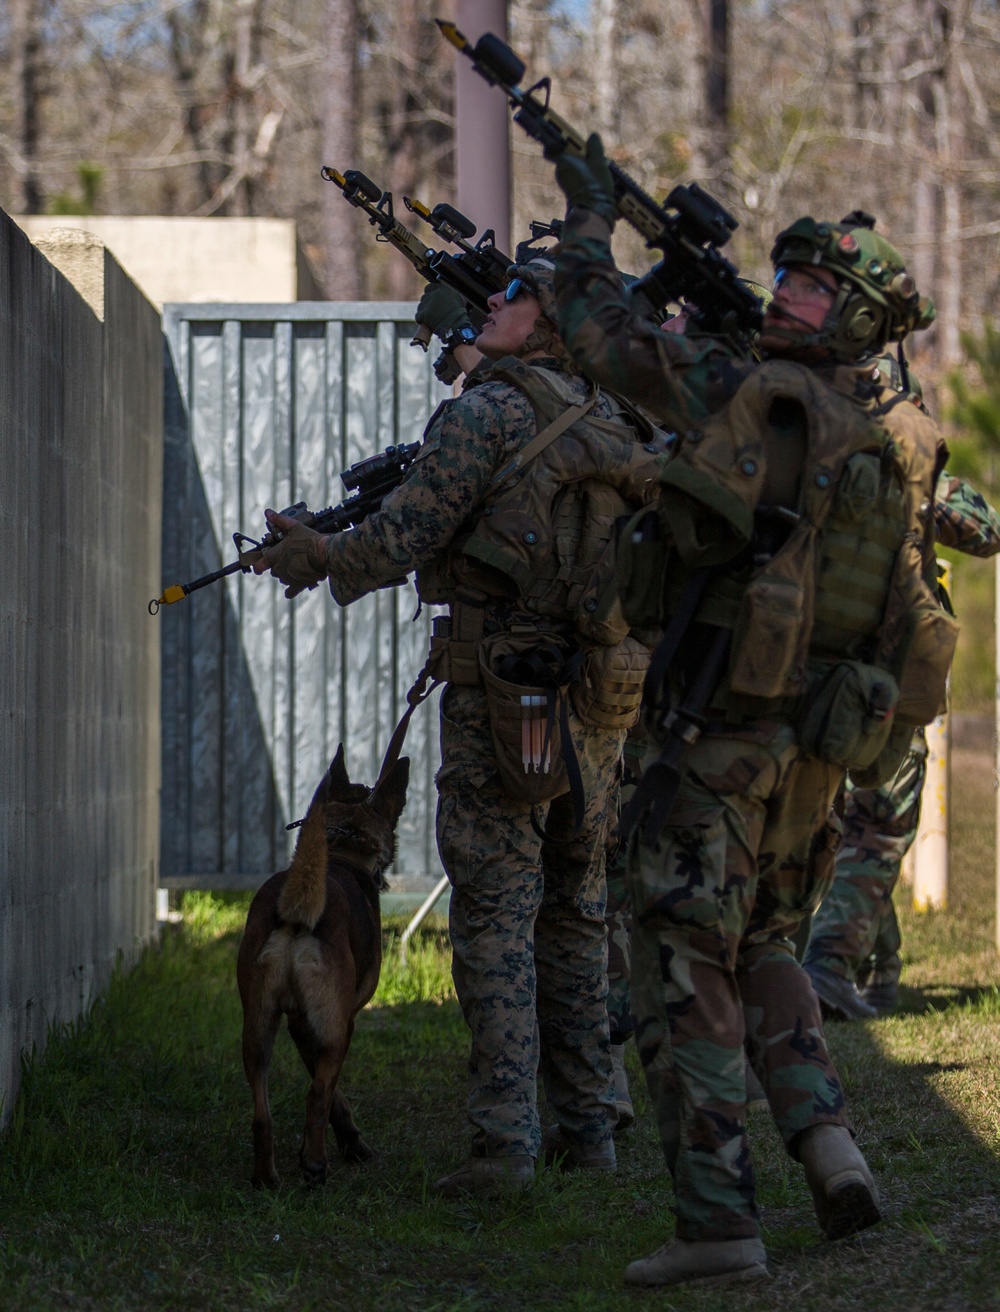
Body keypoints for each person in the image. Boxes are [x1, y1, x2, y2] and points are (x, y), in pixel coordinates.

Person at [547, 134, 948, 1287]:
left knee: (679, 966)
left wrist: (586, 221)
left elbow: (597, 333)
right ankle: (828, 1146)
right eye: (789, 272)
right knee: (765, 940)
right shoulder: (869, 443)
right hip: (806, 764)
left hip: (716, 750)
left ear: (858, 319)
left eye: (817, 284)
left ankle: (718, 1218)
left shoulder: (748, 395)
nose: (788, 290)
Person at [252, 257, 667, 1195]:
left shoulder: (491, 411)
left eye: (517, 294)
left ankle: (504, 1148)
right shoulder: (618, 420)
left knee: (495, 915)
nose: (495, 304)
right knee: (577, 909)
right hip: (602, 692)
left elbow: (402, 537)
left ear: (548, 320)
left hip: (504, 695)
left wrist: (317, 552)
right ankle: (590, 1132)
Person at [805, 461, 1000, 1019]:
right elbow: (984, 526)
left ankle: (871, 965)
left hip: (809, 670)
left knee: (845, 827)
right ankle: (829, 966)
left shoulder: (787, 440)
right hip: (875, 677)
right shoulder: (895, 464)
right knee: (875, 826)